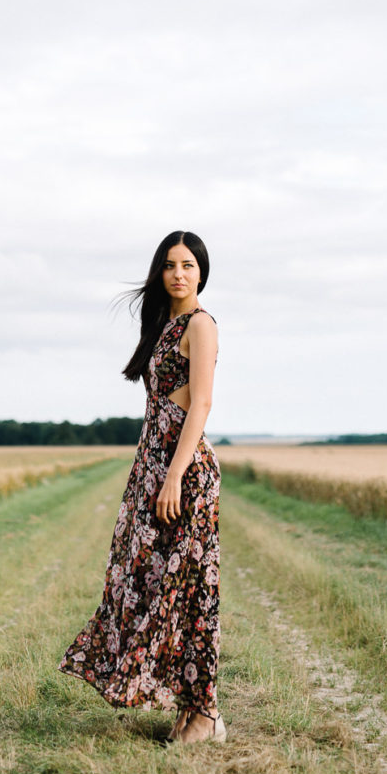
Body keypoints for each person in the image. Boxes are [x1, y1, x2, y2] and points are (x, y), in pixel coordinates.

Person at [59, 230, 224, 743]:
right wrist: (147, 474)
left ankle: (204, 713)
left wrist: (174, 475)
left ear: (202, 272)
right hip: (152, 467)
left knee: (187, 590)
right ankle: (193, 708)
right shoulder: (162, 324)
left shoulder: (201, 325)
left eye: (189, 265)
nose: (179, 273)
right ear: (160, 272)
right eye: (171, 265)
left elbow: (199, 404)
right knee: (140, 581)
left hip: (185, 473)